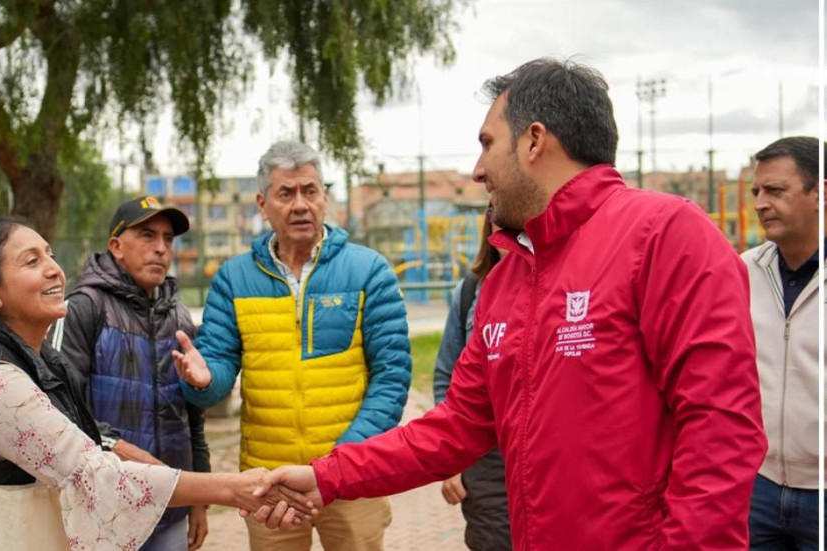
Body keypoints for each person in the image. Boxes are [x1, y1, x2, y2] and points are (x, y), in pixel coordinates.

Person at [253, 58, 767, 550]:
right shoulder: (510, 275)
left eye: (487, 143)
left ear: (534, 141)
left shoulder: (666, 234)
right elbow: (456, 427)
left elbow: (721, 431)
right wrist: (327, 477)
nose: (478, 170)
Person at [0, 217, 303, 551]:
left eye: (51, 255)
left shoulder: (39, 357)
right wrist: (231, 488)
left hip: (163, 495)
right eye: (31, 261)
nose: (54, 269)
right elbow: (96, 476)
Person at [173, 140, 411, 550]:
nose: (300, 204)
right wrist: (204, 378)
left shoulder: (369, 270)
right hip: (270, 483)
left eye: (310, 191)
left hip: (351, 475)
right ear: (263, 205)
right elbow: (218, 366)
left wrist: (344, 461)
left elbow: (392, 377)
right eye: (286, 194)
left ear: (325, 198)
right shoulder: (233, 278)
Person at [49, 196, 210, 551]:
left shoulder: (179, 318)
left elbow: (192, 419)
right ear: (116, 247)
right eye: (147, 236)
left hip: (168, 507)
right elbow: (56, 403)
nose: (160, 249)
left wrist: (198, 500)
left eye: (168, 239)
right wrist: (116, 447)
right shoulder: (83, 308)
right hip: (103, 509)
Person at [743, 137, 823, 551]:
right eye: (757, 191)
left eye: (775, 190)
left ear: (819, 194)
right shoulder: (742, 271)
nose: (760, 203)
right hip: (757, 485)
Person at [432, 209, 508, 550]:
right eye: (500, 221)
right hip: (487, 460)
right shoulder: (470, 294)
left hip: (550, 460)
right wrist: (450, 461)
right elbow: (446, 378)